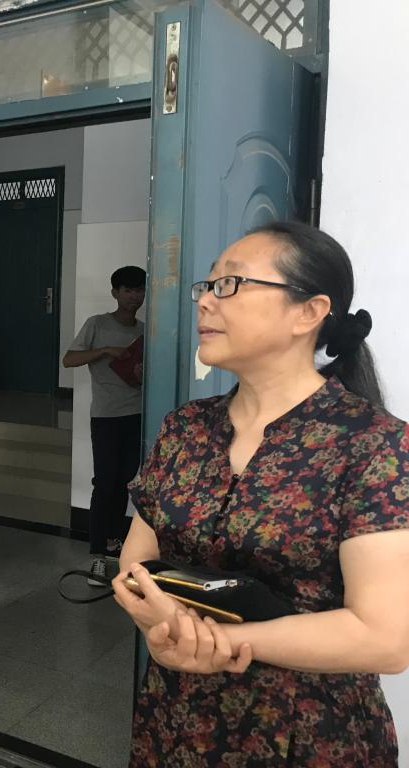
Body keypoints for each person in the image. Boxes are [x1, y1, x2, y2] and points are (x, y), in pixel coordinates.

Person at [111, 221, 409, 766]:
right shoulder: (185, 428)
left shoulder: (374, 443)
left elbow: (384, 637)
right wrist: (158, 626)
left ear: (308, 312)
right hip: (176, 715)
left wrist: (215, 644)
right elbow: (138, 561)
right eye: (206, 286)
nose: (205, 301)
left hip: (308, 732)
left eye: (230, 284)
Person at [62, 265, 146, 585]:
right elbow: (69, 359)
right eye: (128, 290)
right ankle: (97, 555)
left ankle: (113, 545)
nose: (134, 296)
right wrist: (106, 350)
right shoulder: (97, 324)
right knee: (105, 483)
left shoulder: (145, 330)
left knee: (125, 482)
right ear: (115, 293)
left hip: (136, 415)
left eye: (139, 290)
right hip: (106, 417)